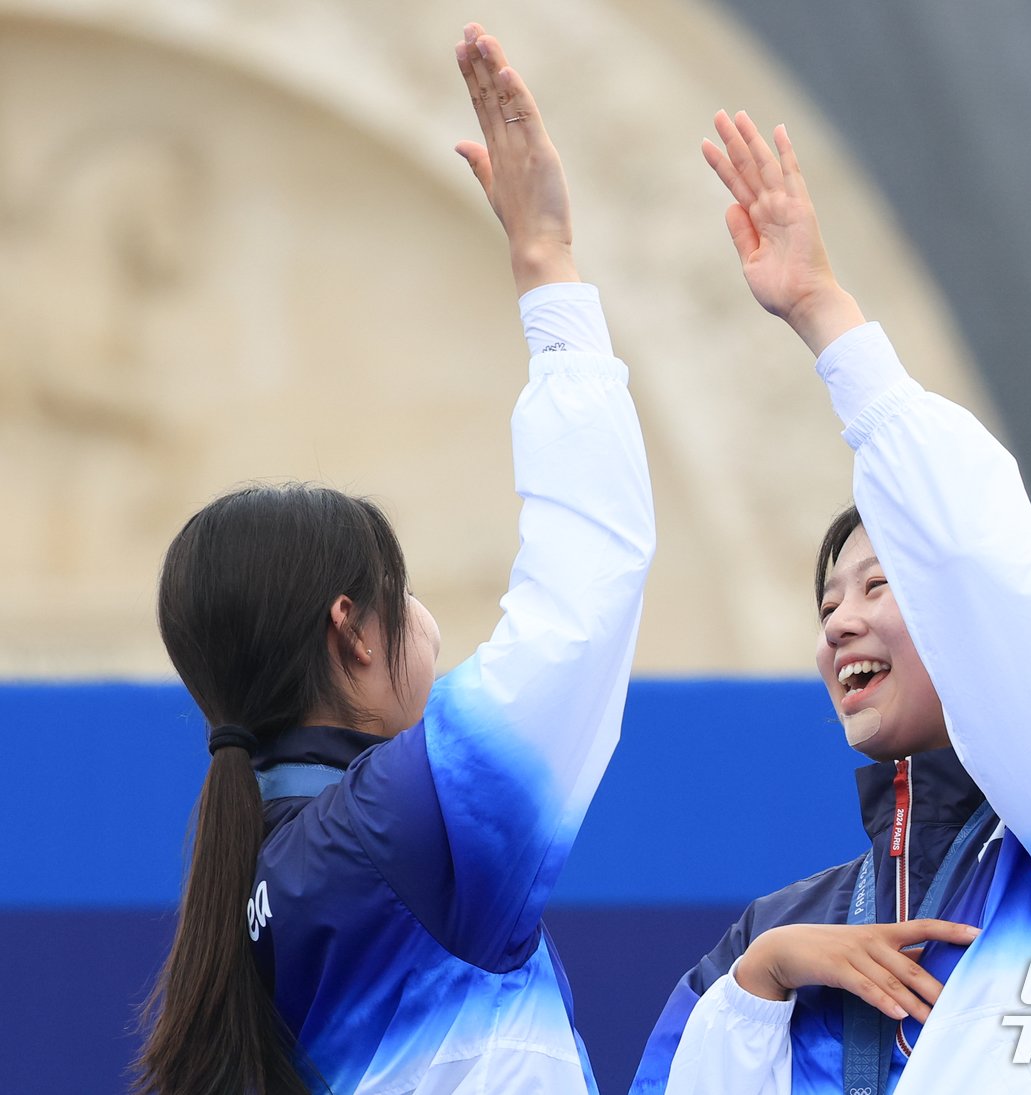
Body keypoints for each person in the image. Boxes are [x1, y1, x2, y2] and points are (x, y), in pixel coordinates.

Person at [630, 111, 1031, 1093]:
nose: (838, 623)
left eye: (877, 586)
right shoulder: (774, 935)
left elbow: (982, 566)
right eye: (826, 604)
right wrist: (760, 985)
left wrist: (823, 313)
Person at [132, 26, 654, 1095]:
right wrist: (548, 270)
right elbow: (586, 587)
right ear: (352, 630)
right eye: (402, 597)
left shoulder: (257, 885)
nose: (429, 627)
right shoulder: (405, 822)